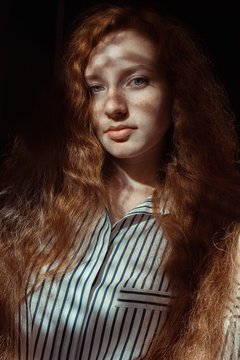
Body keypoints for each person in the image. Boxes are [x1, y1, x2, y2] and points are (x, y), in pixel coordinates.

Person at [0, 4, 239, 360]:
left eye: (136, 80)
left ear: (176, 93)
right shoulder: (33, 210)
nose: (112, 105)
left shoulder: (214, 235)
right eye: (95, 87)